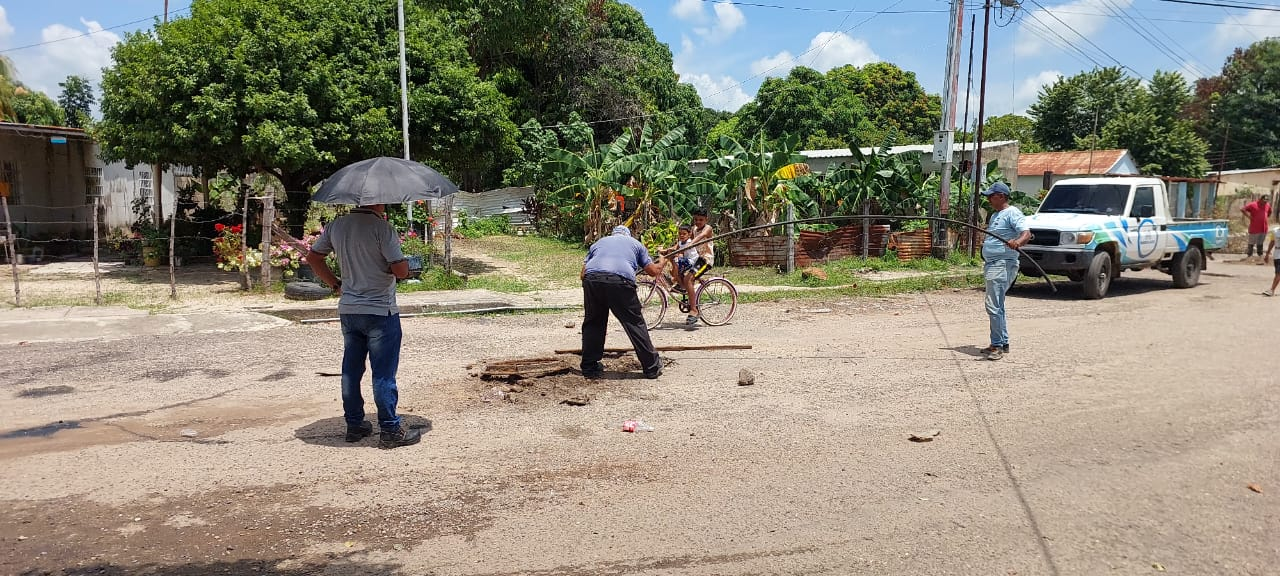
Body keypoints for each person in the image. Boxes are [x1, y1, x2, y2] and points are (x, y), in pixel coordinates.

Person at [305, 204, 420, 449]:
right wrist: (403, 266)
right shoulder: (382, 228)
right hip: (380, 310)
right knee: (383, 373)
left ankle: (354, 424)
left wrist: (336, 284)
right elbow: (400, 271)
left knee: (351, 369)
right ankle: (390, 429)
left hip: (349, 309)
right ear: (379, 199)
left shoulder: (337, 225)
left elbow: (313, 258)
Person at [580, 225, 666, 379]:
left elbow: (582, 273)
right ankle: (652, 367)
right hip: (620, 281)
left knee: (593, 322)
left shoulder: (598, 243)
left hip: (592, 280)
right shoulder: (636, 244)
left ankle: (589, 367)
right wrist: (663, 260)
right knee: (634, 322)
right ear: (628, 235)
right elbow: (653, 272)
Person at [980, 182, 1032, 361]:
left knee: (993, 305)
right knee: (997, 304)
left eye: (991, 196)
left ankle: (998, 346)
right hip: (993, 264)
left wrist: (1017, 242)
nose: (988, 199)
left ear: (1001, 196)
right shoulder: (995, 215)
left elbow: (1026, 233)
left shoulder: (1012, 212)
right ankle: (1001, 341)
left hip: (1002, 264)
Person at [683, 207, 715, 324]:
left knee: (689, 279)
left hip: (706, 260)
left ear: (706, 219)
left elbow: (699, 238)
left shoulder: (708, 229)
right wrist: (670, 249)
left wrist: (691, 243)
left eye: (700, 220)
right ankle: (688, 294)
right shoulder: (694, 228)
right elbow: (686, 239)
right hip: (697, 259)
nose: (698, 222)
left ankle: (694, 310)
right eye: (696, 219)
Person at [1241, 195, 1271, 262]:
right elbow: (1242, 209)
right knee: (1251, 242)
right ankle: (1249, 256)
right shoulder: (1253, 204)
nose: (1265, 202)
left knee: (1260, 242)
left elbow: (1269, 212)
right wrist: (1249, 217)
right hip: (1254, 227)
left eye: (1267, 200)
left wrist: (1265, 218)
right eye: (1264, 200)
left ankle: (1260, 255)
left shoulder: (1267, 205)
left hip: (1264, 228)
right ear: (1260, 199)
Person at [1264, 224, 1279, 296]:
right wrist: (1267, 254)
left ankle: (1272, 290)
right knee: (1277, 273)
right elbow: (1272, 242)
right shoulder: (1275, 231)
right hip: (1277, 254)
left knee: (1278, 273)